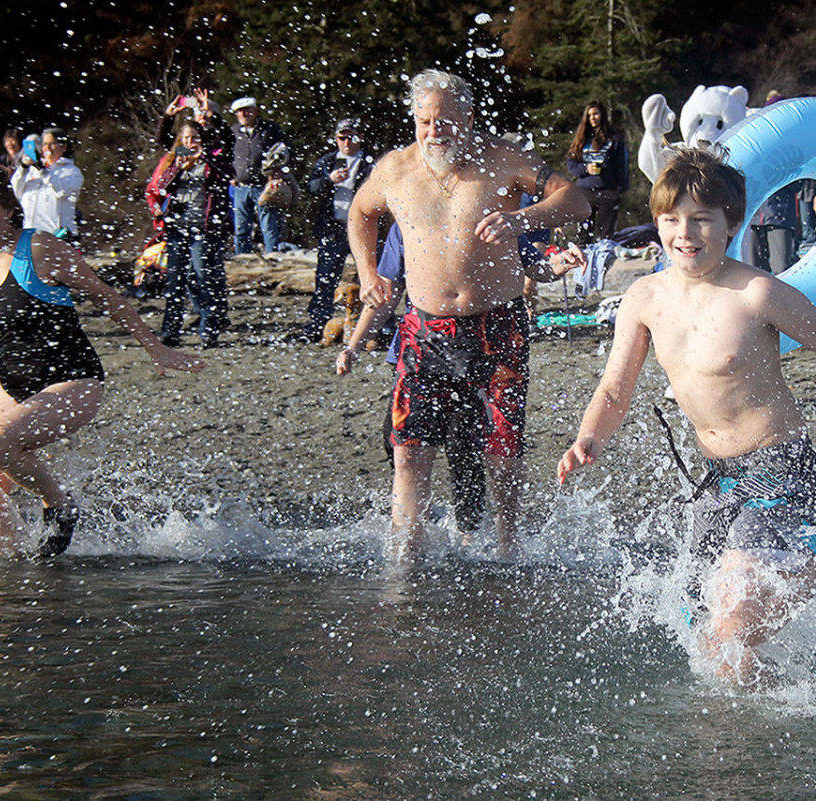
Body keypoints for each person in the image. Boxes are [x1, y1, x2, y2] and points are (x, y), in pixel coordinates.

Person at [557, 149, 816, 687]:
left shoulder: (757, 292)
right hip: (715, 480)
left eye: (701, 220)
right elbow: (615, 386)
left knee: (730, 631)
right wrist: (587, 438)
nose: (684, 234)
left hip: (780, 469)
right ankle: (765, 723)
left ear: (732, 224)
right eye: (671, 220)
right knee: (703, 630)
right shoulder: (644, 297)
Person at [348, 69, 588, 561]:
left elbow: (576, 199)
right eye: (425, 121)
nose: (435, 131)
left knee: (501, 444)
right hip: (424, 328)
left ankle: (508, 546)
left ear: (470, 118)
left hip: (495, 324)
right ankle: (405, 555)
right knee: (410, 446)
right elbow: (360, 212)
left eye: (446, 121)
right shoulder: (395, 168)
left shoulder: (502, 159)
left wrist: (522, 218)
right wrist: (369, 271)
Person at [0, 162, 204, 556]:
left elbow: (107, 297)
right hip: (13, 386)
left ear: (9, 209)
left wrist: (156, 347)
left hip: (73, 379)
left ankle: (60, 505)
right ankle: (18, 568)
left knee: (0, 443)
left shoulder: (40, 248)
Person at [337, 222, 580, 538]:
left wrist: (562, 262)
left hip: (482, 358)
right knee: (398, 441)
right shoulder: (407, 220)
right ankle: (408, 533)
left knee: (465, 449)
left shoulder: (489, 216)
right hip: (420, 352)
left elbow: (534, 267)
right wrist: (354, 345)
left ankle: (470, 533)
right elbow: (387, 289)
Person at [147, 90, 234, 348]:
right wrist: (166, 116)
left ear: (203, 139)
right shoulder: (174, 160)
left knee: (204, 276)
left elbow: (228, 141)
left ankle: (209, 329)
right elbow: (161, 142)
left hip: (204, 227)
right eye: (185, 138)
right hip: (176, 227)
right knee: (175, 281)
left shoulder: (213, 158)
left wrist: (212, 116)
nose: (190, 141)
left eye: (194, 137)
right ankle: (170, 331)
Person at [301, 118, 373, 342]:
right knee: (325, 279)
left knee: (371, 277)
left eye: (352, 136)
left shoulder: (371, 162)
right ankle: (318, 324)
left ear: (360, 137)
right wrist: (328, 180)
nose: (347, 142)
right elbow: (310, 188)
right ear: (336, 139)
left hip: (363, 229)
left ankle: (377, 327)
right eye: (342, 137)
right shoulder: (327, 161)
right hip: (332, 228)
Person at [229, 96, 288, 254]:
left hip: (264, 186)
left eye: (248, 110)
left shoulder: (269, 129)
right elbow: (224, 155)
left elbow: (283, 151)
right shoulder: (233, 132)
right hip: (240, 187)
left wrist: (277, 169)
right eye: (240, 112)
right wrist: (230, 175)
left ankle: (272, 259)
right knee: (241, 229)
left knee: (268, 227)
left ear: (255, 111)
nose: (244, 114)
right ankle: (242, 262)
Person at [565, 100, 629, 242]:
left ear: (602, 115)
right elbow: (571, 164)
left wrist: (621, 188)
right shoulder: (581, 139)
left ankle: (603, 262)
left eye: (595, 114)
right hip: (585, 191)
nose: (592, 118)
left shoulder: (615, 139)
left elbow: (622, 165)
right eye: (589, 115)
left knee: (606, 235)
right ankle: (584, 261)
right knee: (583, 233)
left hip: (608, 190)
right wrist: (585, 169)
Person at [10, 127, 83, 244]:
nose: (47, 148)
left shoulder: (72, 171)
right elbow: (15, 189)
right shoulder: (32, 171)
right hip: (31, 235)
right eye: (45, 144)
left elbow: (60, 191)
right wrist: (23, 167)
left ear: (64, 147)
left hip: (58, 236)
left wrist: (42, 171)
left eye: (52, 144)